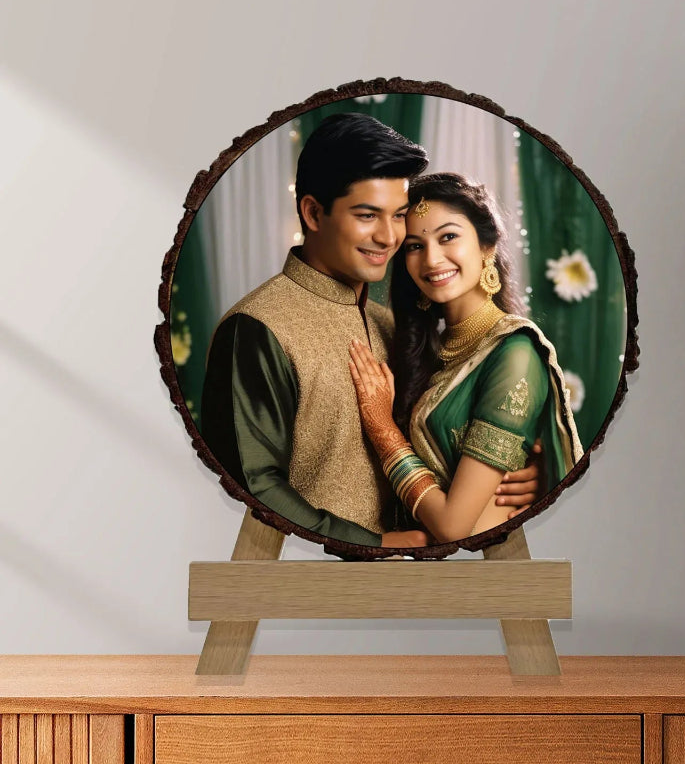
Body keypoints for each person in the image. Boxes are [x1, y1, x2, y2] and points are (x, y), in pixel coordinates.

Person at [201, 115, 538, 550]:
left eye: (398, 216)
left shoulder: (391, 324)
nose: (388, 236)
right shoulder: (257, 326)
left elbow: (448, 442)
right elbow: (255, 484)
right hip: (305, 584)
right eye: (367, 215)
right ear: (313, 212)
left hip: (420, 584)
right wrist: (374, 543)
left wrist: (518, 475)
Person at [349, 172, 583, 543]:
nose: (431, 259)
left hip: (480, 574)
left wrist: (382, 429)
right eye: (413, 246)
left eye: (448, 237)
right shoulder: (433, 349)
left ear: (487, 246)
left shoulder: (515, 354)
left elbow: (452, 526)